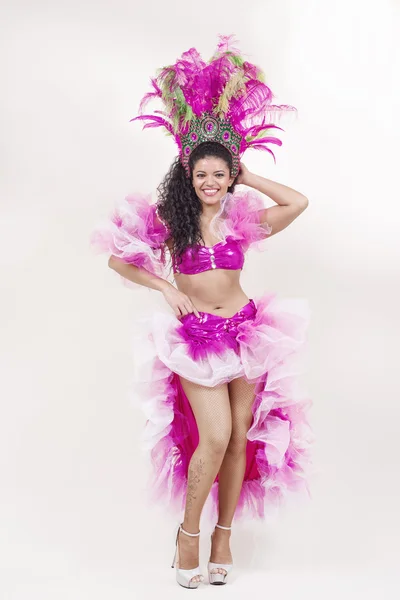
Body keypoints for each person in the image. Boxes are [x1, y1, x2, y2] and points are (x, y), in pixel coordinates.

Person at [90, 35, 312, 589]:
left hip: (248, 334)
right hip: (198, 338)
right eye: (202, 176)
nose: (211, 183)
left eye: (219, 175)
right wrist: (166, 288)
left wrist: (246, 173)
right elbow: (119, 260)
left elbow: (298, 204)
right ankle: (189, 534)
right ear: (188, 179)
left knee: (239, 437)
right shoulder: (170, 221)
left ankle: (223, 538)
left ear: (227, 176)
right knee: (212, 437)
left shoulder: (241, 218)